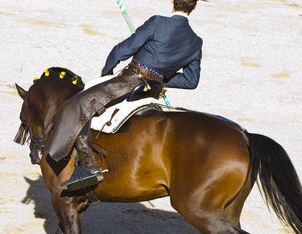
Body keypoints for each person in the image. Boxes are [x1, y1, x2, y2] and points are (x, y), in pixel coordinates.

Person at [46, 0, 203, 190]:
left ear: (173, 2)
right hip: (154, 90)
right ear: (194, 7)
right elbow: (190, 81)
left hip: (129, 81)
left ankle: (88, 165)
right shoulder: (196, 41)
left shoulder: (157, 22)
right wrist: (159, 79)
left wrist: (108, 71)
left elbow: (123, 49)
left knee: (78, 103)